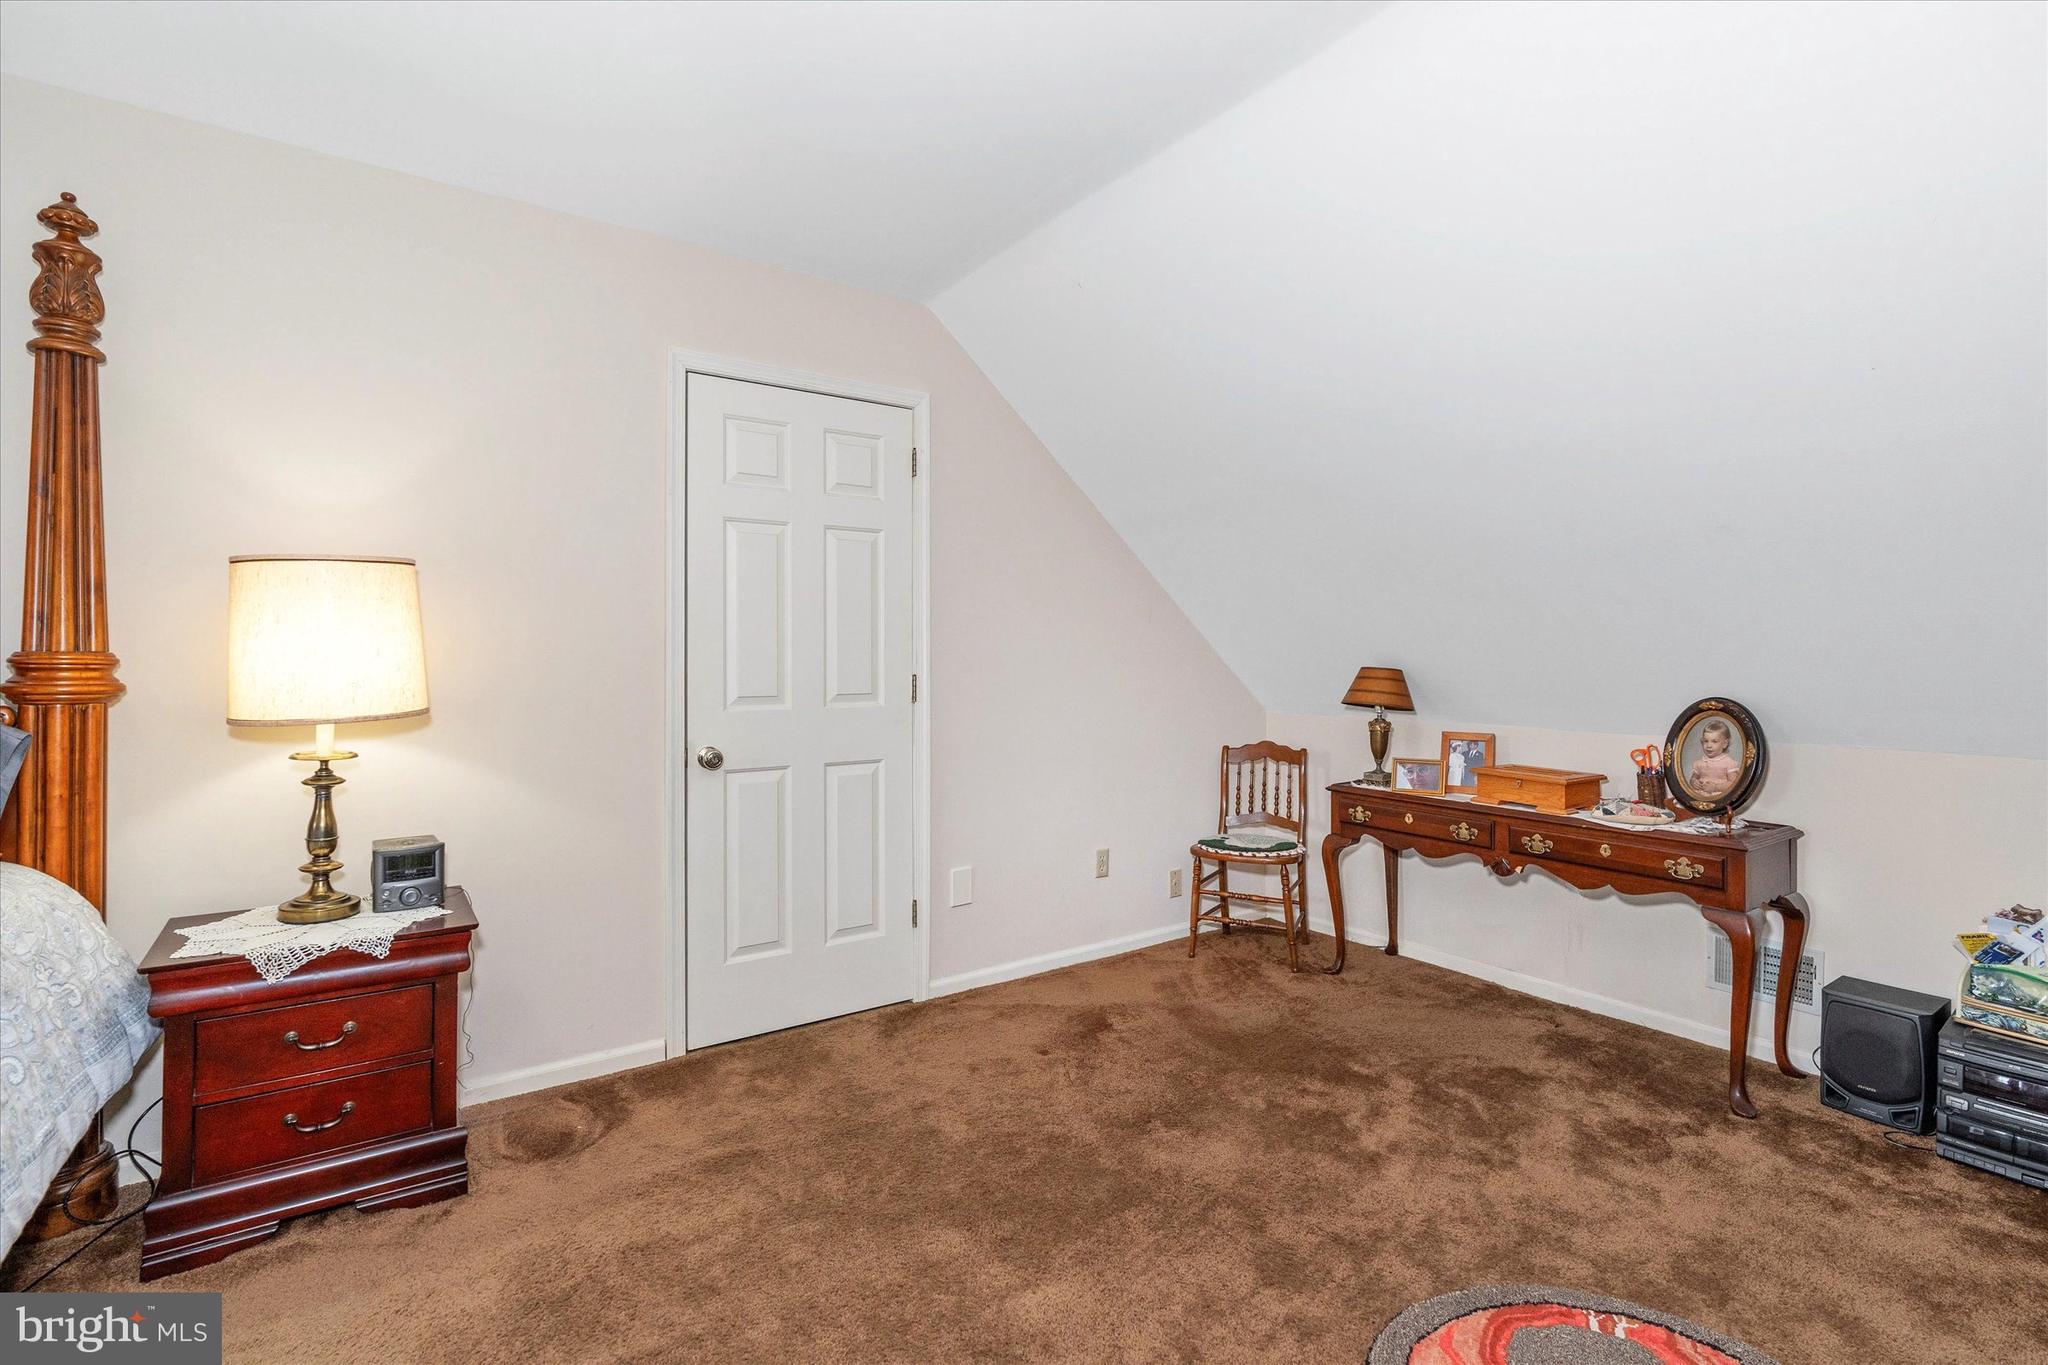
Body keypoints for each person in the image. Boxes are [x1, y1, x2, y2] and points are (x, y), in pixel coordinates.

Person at [1688, 718, 1740, 797]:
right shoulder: (1699, 763)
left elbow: (1734, 783)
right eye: (1706, 741)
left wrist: (1715, 787)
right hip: (1700, 795)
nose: (1709, 746)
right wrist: (1694, 782)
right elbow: (1693, 778)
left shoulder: (1728, 763)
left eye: (1714, 741)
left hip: (1719, 797)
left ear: (1725, 744)